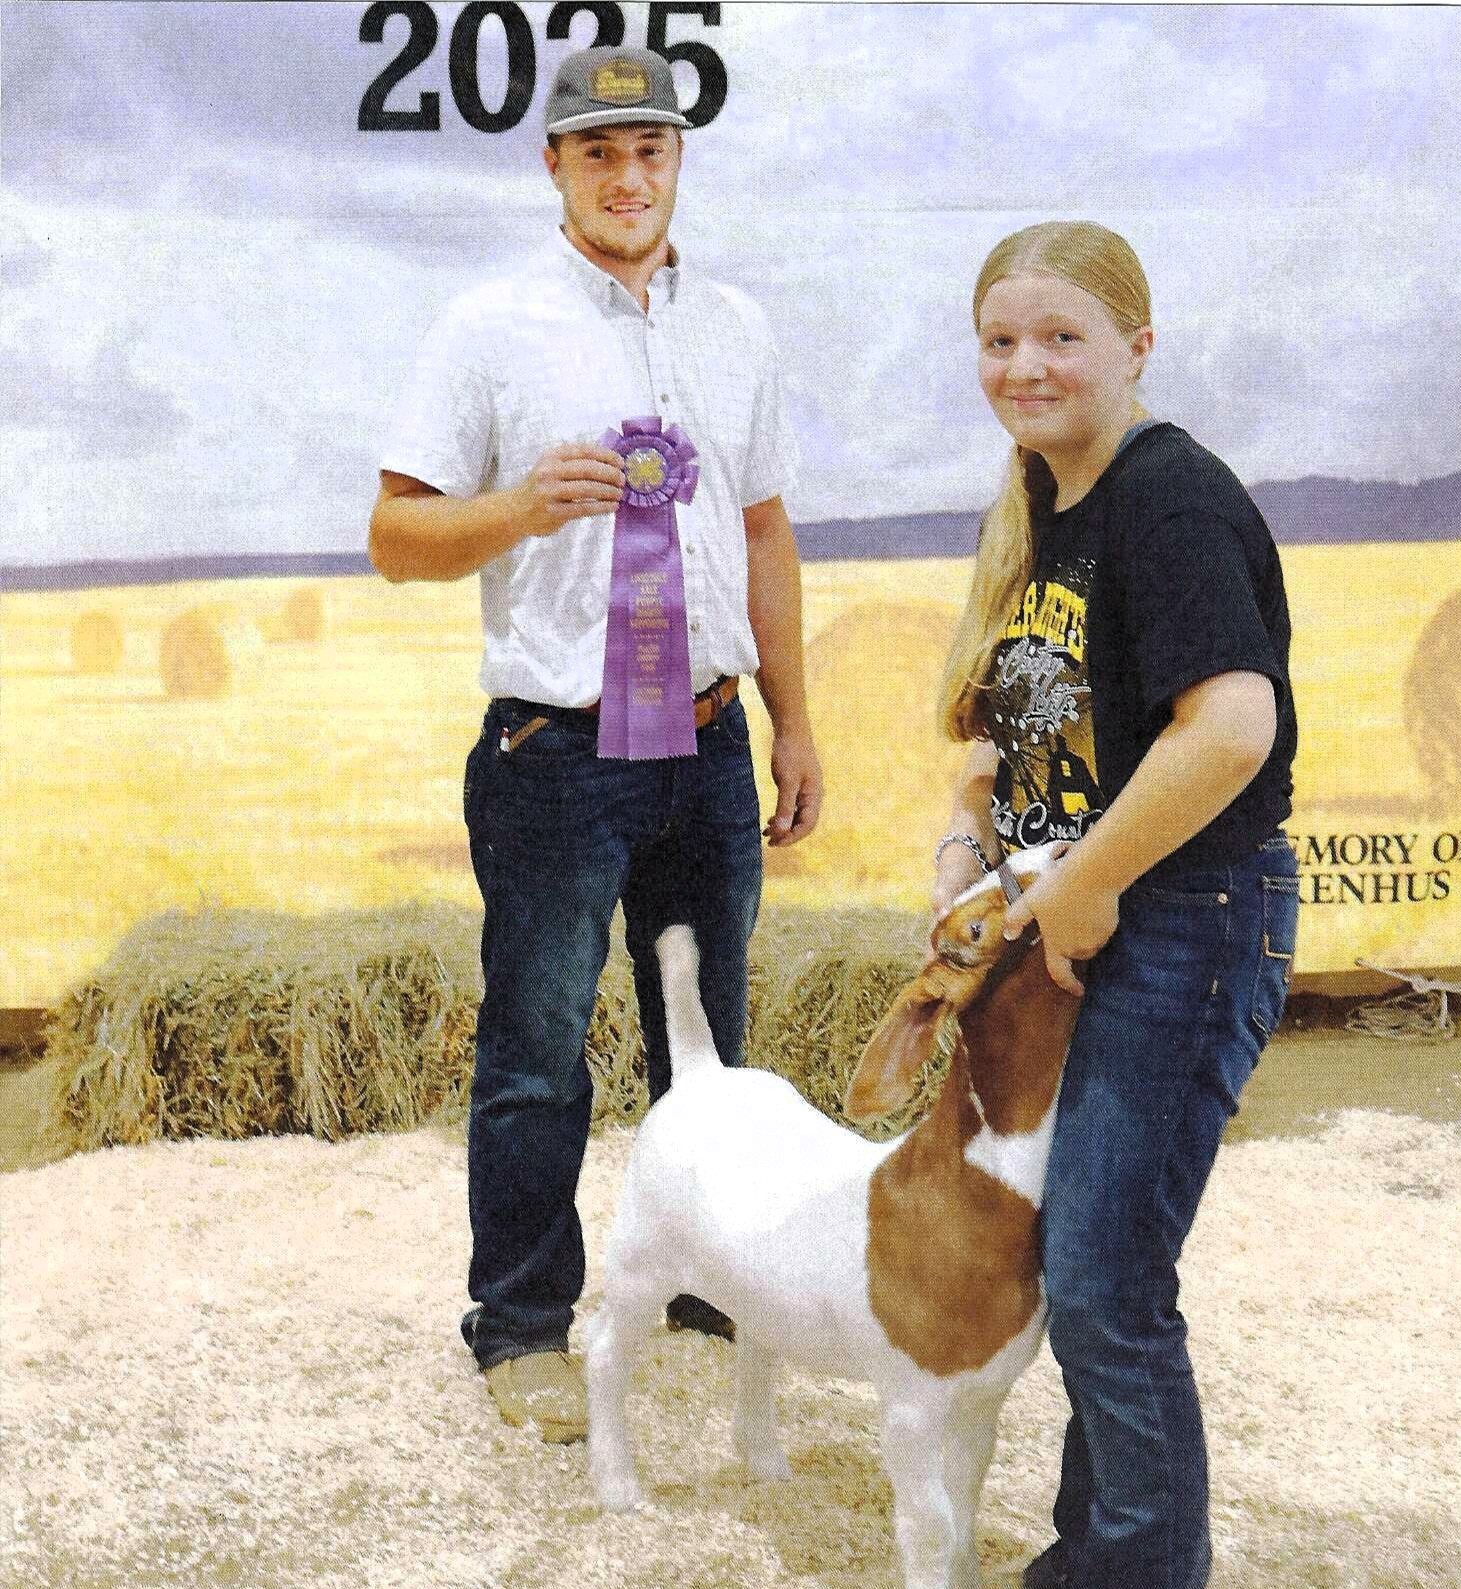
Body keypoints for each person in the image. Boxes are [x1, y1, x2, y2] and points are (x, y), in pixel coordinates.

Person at [369, 45, 822, 1444]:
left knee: (710, 1044)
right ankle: (519, 1326)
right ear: (554, 165)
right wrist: (517, 507)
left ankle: (713, 1284)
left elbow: (762, 530)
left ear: (679, 161)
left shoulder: (736, 326)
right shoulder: (486, 326)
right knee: (537, 1053)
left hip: (709, 742)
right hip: (555, 756)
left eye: (652, 149)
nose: (630, 177)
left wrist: (795, 718)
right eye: (601, 151)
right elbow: (394, 537)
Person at [932, 221, 1299, 1589]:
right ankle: (1093, 1558)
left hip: (1184, 917)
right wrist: (968, 841)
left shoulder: (1169, 501)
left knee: (1103, 1284)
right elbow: (1014, 723)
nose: (1024, 366)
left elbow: (1232, 727)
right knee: (1085, 1267)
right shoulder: (1041, 503)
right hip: (1082, 915)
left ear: (1137, 348)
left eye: (1060, 337)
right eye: (999, 340)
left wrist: (1082, 887)